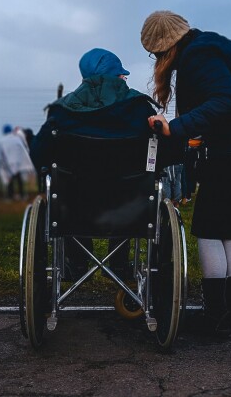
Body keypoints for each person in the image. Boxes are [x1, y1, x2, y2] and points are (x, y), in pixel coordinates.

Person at [140, 10, 231, 337]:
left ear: (165, 47)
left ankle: (216, 316)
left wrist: (174, 128)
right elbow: (227, 103)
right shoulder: (209, 46)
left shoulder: (198, 55)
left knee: (208, 229)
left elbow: (224, 99)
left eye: (156, 54)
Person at [30, 48, 170, 280]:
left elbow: (38, 154)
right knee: (129, 189)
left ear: (85, 77)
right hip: (130, 210)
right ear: (117, 76)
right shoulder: (140, 109)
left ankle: (75, 262)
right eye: (122, 75)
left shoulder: (62, 112)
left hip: (73, 209)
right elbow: (163, 156)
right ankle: (119, 263)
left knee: (71, 192)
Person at [0, 124, 35, 201]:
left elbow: (3, 154)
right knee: (19, 179)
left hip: (9, 163)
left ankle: (9, 196)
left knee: (10, 180)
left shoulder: (3, 141)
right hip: (18, 162)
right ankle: (22, 195)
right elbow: (23, 148)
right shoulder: (16, 138)